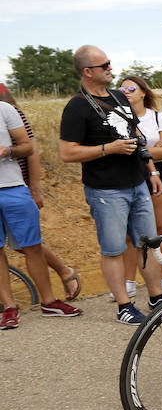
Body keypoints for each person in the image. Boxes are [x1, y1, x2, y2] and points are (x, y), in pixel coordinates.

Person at [58, 45, 162, 323]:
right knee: (114, 248)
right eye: (103, 65)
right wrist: (109, 149)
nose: (110, 68)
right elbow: (67, 152)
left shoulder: (119, 96)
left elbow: (136, 134)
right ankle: (124, 307)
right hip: (106, 190)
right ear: (87, 72)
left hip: (137, 182)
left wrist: (151, 170)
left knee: (148, 244)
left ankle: (157, 297)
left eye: (109, 63)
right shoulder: (77, 106)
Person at [2, 98, 82, 326]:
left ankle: (50, 299)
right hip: (16, 186)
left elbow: (30, 148)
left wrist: (33, 186)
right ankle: (9, 308)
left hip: (14, 186)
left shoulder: (6, 109)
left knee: (32, 245)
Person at [117, 75, 162, 295]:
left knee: (161, 227)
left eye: (131, 88)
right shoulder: (118, 117)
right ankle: (129, 281)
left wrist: (136, 148)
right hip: (130, 173)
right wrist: (146, 148)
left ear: (143, 92)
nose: (126, 92)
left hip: (160, 172)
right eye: (122, 89)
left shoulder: (156, 116)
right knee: (130, 232)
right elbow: (155, 148)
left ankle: (160, 280)